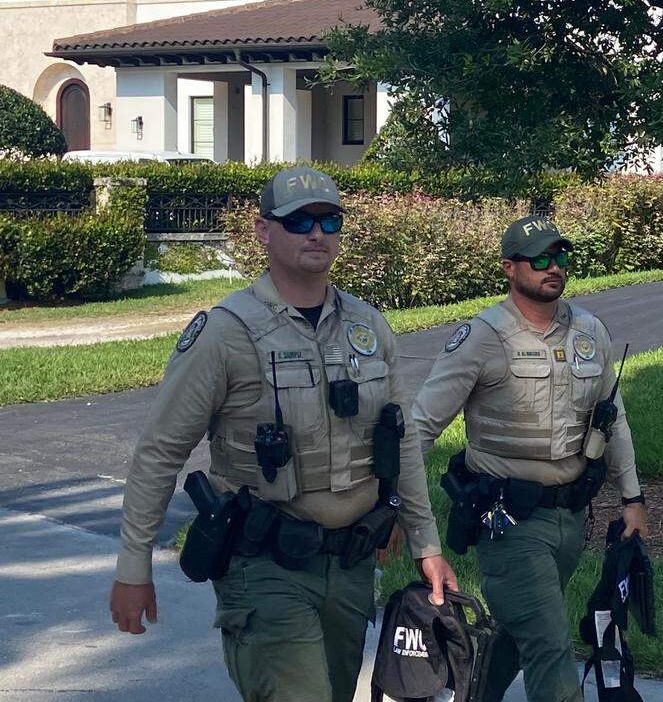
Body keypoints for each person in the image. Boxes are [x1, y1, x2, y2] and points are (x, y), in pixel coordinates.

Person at [108, 166, 457, 702]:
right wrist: (134, 566)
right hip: (264, 567)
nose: (316, 232)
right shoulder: (226, 333)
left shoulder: (368, 327)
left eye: (328, 219)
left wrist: (425, 544)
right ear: (263, 231)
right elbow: (160, 452)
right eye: (297, 221)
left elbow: (400, 442)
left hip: (350, 567)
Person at [412, 215, 649, 702]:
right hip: (509, 521)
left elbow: (613, 419)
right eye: (539, 259)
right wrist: (409, 523)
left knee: (519, 635)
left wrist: (633, 497)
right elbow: (418, 430)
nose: (553, 267)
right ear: (509, 267)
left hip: (569, 516)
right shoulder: (482, 337)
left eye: (560, 256)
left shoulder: (589, 331)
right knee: (549, 643)